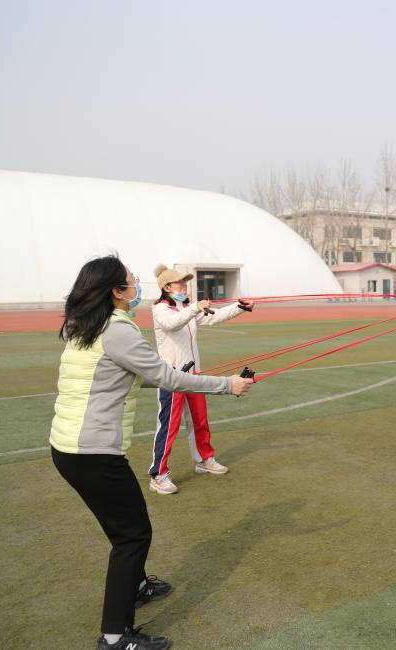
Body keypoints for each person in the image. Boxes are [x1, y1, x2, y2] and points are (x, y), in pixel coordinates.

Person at [50, 255, 253, 650]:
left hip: (69, 448)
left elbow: (122, 375)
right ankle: (115, 637)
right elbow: (163, 376)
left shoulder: (86, 325)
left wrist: (188, 377)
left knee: (124, 528)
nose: (136, 285)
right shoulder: (117, 329)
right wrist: (226, 385)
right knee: (133, 536)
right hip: (92, 453)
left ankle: (137, 585)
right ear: (115, 291)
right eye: (131, 280)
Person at [147, 264, 254, 495]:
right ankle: (158, 474)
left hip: (193, 375)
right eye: (180, 283)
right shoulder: (160, 309)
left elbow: (214, 317)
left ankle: (204, 459)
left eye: (185, 282)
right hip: (171, 377)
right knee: (168, 426)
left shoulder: (187, 308)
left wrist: (239, 307)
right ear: (167, 287)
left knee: (199, 420)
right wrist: (195, 307)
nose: (185, 286)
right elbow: (172, 323)